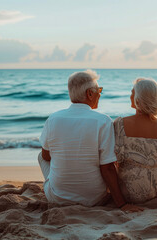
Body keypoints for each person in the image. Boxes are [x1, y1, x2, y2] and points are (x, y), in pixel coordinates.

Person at [38, 70, 143, 212]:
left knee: (41, 155)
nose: (100, 94)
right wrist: (122, 204)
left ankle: (60, 184)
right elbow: (107, 168)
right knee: (108, 160)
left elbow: (46, 157)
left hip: (57, 198)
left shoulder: (53, 119)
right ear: (90, 94)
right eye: (99, 90)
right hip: (94, 199)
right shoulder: (103, 121)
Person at [114, 78, 157, 203]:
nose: (130, 96)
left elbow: (111, 160)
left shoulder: (120, 124)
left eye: (132, 93)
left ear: (138, 99)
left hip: (131, 191)